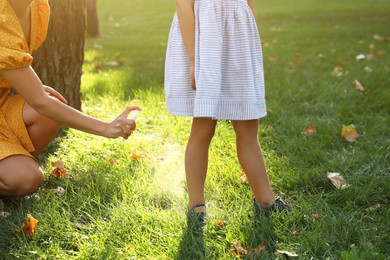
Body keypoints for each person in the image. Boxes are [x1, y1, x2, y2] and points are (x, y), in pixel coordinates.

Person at [164, 0, 291, 223]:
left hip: (238, 42)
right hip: (205, 43)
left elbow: (249, 5)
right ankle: (196, 205)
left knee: (248, 126)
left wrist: (251, 50)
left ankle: (265, 200)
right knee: (203, 127)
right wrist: (194, 59)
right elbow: (182, 5)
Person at [0, 0, 141, 197]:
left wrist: (31, 86)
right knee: (27, 179)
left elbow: (11, 63)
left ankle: (11, 168)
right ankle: (13, 173)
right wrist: (106, 127)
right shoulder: (2, 15)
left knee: (49, 113)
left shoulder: (36, 7)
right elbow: (40, 101)